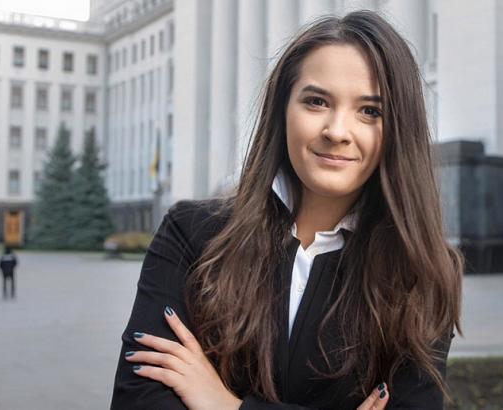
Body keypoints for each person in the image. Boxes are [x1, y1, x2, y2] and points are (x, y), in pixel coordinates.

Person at [111, 9, 463, 410]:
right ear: (282, 109)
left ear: (399, 128)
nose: (337, 131)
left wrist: (227, 406)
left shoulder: (422, 273)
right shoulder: (192, 234)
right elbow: (138, 402)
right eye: (316, 102)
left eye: (370, 111)